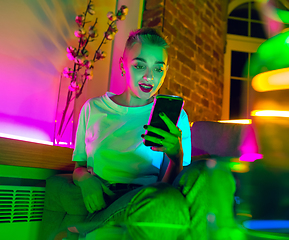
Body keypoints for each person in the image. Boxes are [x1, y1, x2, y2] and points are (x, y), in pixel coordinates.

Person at [39, 27, 236, 240]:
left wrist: (176, 156)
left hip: (154, 197)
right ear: (123, 66)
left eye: (158, 69)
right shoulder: (93, 108)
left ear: (165, 71)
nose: (149, 76)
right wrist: (85, 180)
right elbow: (79, 166)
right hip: (110, 204)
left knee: (212, 174)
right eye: (140, 65)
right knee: (165, 203)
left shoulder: (177, 118)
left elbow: (173, 186)